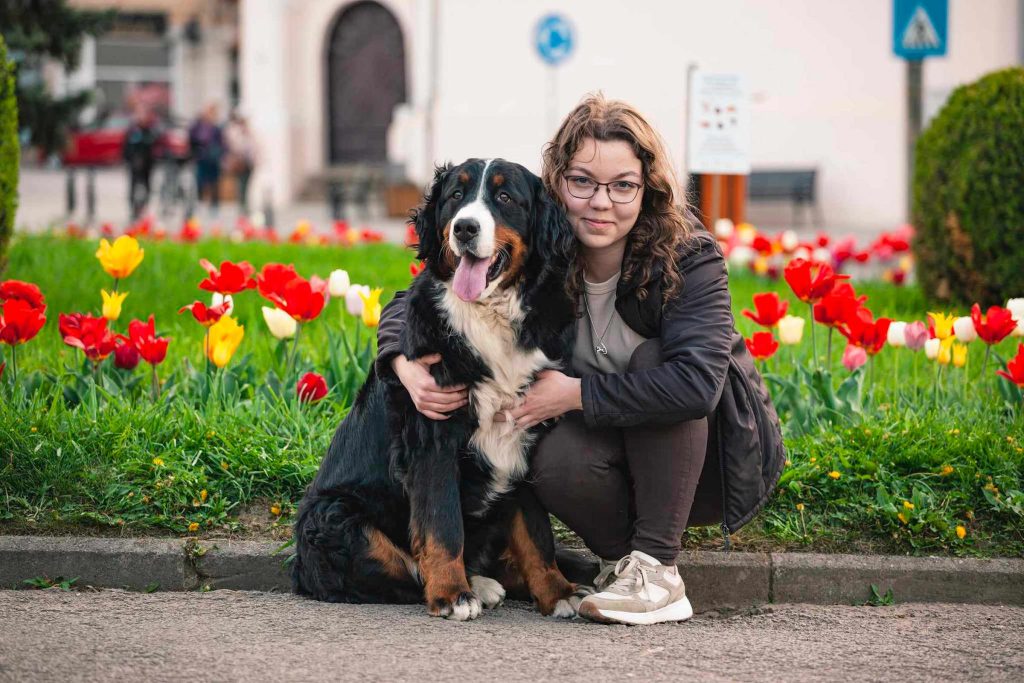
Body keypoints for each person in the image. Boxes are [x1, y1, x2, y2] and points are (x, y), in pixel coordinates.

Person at [375, 94, 785, 625]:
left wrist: (575, 394)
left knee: (656, 361)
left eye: (622, 185)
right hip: (609, 447)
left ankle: (659, 570)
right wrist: (400, 363)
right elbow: (420, 296)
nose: (600, 201)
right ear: (558, 186)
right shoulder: (543, 252)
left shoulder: (690, 257)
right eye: (583, 182)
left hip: (702, 463)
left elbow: (697, 385)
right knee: (544, 455)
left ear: (647, 188)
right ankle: (622, 565)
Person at [122, 106, 160, 220]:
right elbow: (126, 148)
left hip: (148, 164)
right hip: (134, 164)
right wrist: (130, 160)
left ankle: (144, 208)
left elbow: (155, 145)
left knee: (147, 186)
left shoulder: (150, 130)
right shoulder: (132, 130)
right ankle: (133, 209)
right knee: (134, 187)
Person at [188, 103, 225, 217]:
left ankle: (214, 205)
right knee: (200, 181)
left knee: (214, 182)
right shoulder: (198, 126)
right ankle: (200, 202)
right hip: (201, 158)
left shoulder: (216, 128)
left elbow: (222, 143)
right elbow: (191, 137)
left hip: (213, 159)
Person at [223, 109, 257, 215]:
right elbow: (233, 147)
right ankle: (242, 208)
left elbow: (254, 147)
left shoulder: (249, 132)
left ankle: (245, 206)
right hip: (239, 163)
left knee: (246, 185)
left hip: (249, 163)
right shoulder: (233, 131)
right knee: (240, 185)